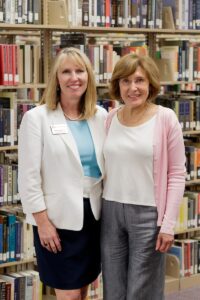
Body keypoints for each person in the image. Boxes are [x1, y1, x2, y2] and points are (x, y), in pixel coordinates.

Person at [18, 47, 107, 300]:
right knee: (68, 294)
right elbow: (28, 177)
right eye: (66, 71)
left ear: (88, 76)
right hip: (56, 221)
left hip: (94, 217)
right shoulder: (37, 118)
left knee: (83, 289)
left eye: (80, 71)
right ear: (56, 78)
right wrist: (42, 223)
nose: (74, 77)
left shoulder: (100, 116)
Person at [101, 53, 185, 300]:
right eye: (125, 81)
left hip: (148, 215)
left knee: (141, 290)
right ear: (118, 85)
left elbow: (177, 174)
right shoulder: (110, 118)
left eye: (139, 80)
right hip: (111, 212)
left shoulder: (165, 118)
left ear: (151, 84)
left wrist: (167, 225)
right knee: (113, 289)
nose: (133, 88)